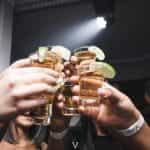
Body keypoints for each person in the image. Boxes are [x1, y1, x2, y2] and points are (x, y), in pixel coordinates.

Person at [0, 58, 60, 139]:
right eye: (26, 97)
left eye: (37, 97)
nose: (29, 110)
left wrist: (59, 130)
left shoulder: (42, 144)